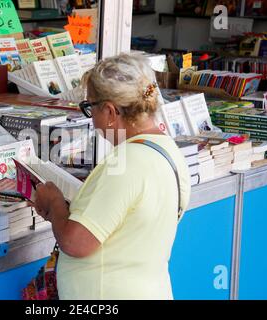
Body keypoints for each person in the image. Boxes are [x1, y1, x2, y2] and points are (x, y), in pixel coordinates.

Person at [34, 53, 191, 300]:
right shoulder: (169, 152)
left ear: (109, 111)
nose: (92, 119)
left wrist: (54, 202)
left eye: (89, 108)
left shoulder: (127, 164)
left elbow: (76, 243)